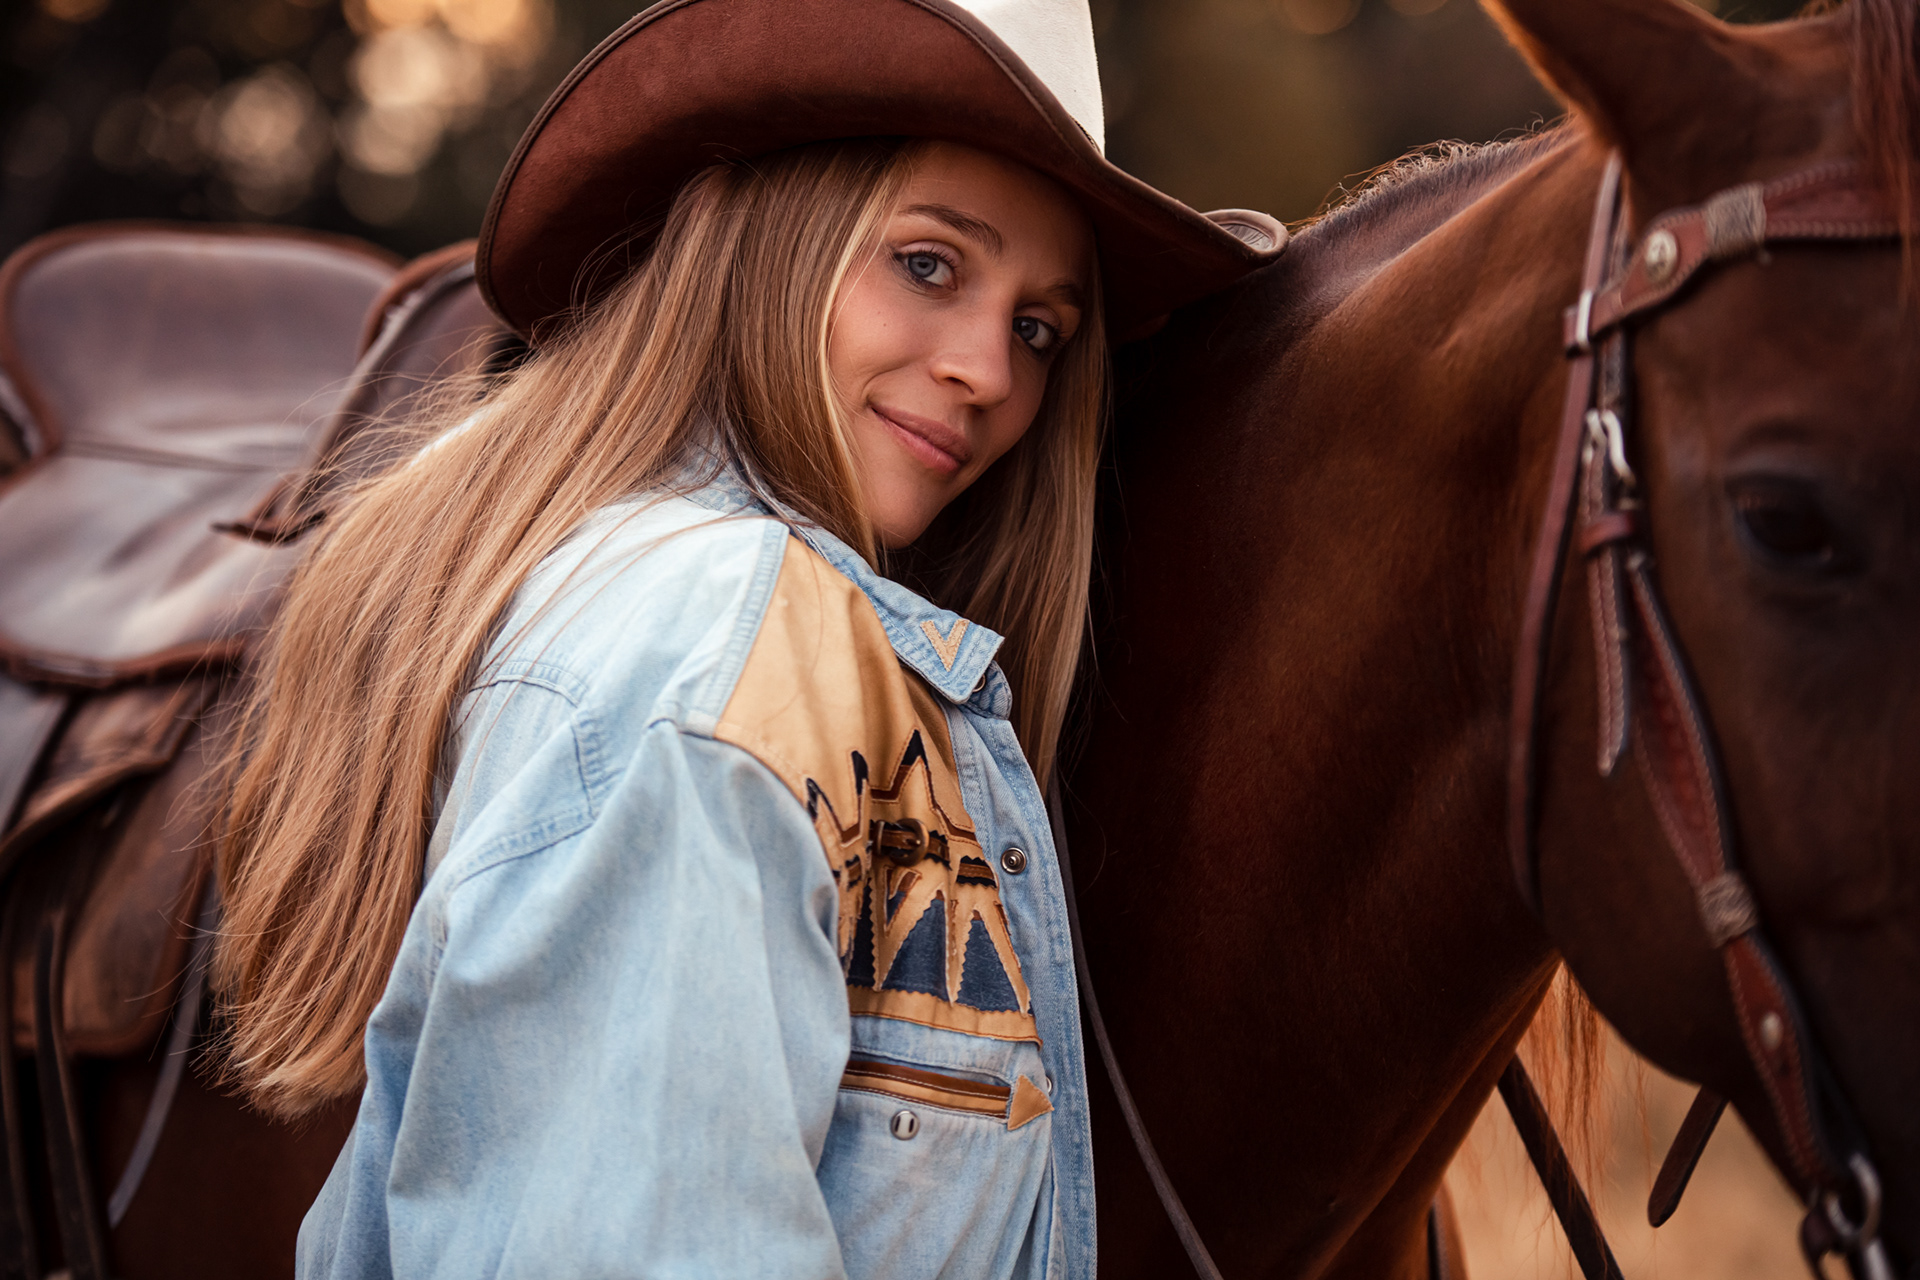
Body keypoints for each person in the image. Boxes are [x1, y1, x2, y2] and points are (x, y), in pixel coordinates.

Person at [212, 1, 1282, 1276]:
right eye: (930, 264)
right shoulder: (716, 650)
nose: (990, 372)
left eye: (1037, 327)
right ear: (777, 234)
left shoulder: (788, 639)